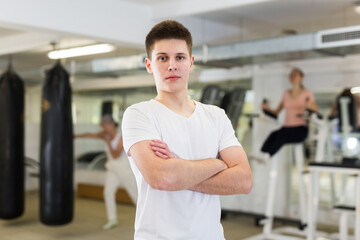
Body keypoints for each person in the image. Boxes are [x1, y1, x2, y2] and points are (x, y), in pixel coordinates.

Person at [121, 20, 252, 240]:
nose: (172, 65)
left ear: (190, 62)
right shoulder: (139, 114)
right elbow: (162, 178)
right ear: (149, 64)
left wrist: (179, 171)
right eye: (162, 58)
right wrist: (217, 163)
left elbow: (244, 181)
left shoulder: (216, 116)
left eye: (179, 57)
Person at [75, 115, 137, 230]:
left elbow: (115, 155)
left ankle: (146, 218)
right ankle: (112, 219)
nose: (104, 129)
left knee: (134, 194)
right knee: (108, 192)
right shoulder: (104, 134)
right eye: (103, 126)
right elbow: (91, 135)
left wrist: (108, 141)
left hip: (123, 169)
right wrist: (77, 136)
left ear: (112, 124)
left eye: (105, 126)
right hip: (112, 169)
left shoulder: (121, 137)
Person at [253, 68, 319, 162]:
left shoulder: (306, 93)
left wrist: (309, 106)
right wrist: (266, 108)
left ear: (301, 78)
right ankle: (261, 154)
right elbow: (276, 112)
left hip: (300, 129)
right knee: (273, 134)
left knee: (281, 136)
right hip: (287, 127)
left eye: (295, 75)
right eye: (291, 75)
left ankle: (267, 156)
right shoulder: (286, 94)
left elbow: (315, 110)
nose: (292, 77)